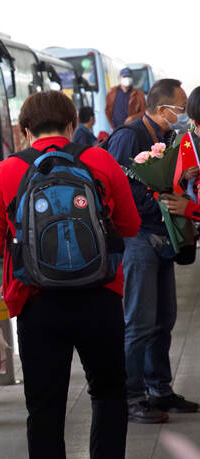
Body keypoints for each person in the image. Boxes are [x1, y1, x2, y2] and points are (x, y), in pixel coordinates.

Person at [0, 90, 141, 458]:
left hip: (36, 301)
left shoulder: (6, 171)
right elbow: (129, 225)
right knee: (109, 393)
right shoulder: (99, 159)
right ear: (72, 125)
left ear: (25, 130)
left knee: (45, 407)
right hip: (101, 296)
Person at [105, 79, 199, 424]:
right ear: (163, 109)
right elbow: (115, 188)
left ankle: (160, 389)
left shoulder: (166, 138)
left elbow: (160, 180)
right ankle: (131, 396)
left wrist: (179, 179)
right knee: (140, 322)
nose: (184, 116)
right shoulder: (129, 136)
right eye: (181, 109)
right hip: (139, 239)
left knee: (164, 320)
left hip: (161, 238)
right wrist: (158, 202)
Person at [161, 86, 200, 219]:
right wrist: (183, 174)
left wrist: (190, 209)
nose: (194, 126)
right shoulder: (185, 140)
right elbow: (173, 177)